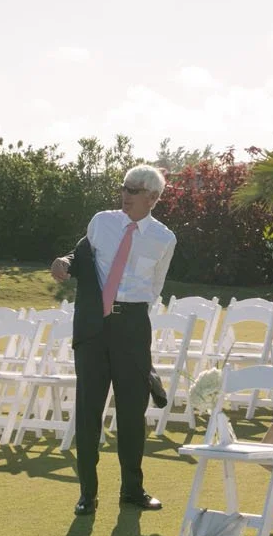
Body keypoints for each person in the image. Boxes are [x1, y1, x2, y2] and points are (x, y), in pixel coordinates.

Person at [50, 164, 178, 515]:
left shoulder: (164, 238)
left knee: (132, 413)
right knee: (88, 411)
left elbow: (155, 286)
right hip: (93, 328)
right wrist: (64, 262)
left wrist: (129, 314)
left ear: (153, 197)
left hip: (133, 327)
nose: (125, 194)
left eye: (133, 190)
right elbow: (79, 255)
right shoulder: (101, 222)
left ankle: (132, 490)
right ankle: (87, 493)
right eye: (123, 187)